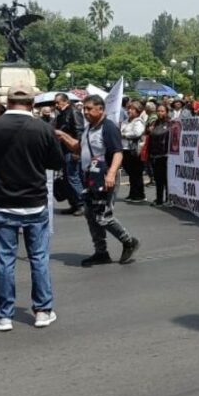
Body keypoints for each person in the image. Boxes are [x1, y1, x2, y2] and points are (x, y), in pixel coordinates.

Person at [0, 84, 63, 331]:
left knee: (4, 261)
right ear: (32, 104)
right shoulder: (43, 128)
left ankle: (4, 315)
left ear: (8, 101)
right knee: (39, 258)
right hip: (34, 201)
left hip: (3, 202)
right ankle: (43, 310)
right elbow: (56, 162)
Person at [57, 94, 141, 267]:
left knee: (103, 215)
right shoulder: (89, 128)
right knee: (91, 214)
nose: (85, 112)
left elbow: (118, 152)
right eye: (84, 109)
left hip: (104, 178)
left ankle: (128, 241)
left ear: (100, 109)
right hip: (90, 178)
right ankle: (101, 252)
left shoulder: (108, 127)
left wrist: (111, 173)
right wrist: (63, 136)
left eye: (89, 109)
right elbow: (79, 148)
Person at [54, 93, 86, 216]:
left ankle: (82, 204)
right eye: (55, 103)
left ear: (65, 101)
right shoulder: (62, 114)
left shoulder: (73, 112)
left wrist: (77, 151)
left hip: (71, 149)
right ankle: (74, 204)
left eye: (58, 102)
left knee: (73, 177)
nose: (56, 105)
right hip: (64, 149)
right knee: (67, 178)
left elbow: (79, 132)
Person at [147, 104, 171, 206]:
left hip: (165, 154)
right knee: (158, 179)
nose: (160, 113)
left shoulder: (169, 123)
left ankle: (168, 199)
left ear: (166, 112)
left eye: (162, 111)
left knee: (166, 179)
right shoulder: (155, 123)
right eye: (158, 111)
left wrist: (153, 131)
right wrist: (149, 129)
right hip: (155, 153)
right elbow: (149, 134)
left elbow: (160, 133)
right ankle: (159, 199)